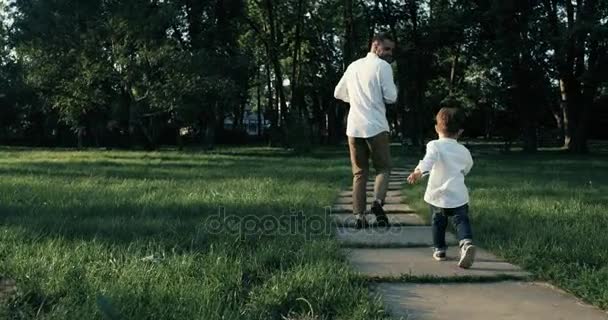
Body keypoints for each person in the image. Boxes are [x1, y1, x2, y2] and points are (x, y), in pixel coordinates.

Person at [334, 33, 398, 229]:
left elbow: (338, 92)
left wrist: (355, 100)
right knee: (384, 168)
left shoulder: (353, 66)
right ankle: (377, 203)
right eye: (386, 49)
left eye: (391, 50)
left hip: (354, 127)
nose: (389, 53)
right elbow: (391, 97)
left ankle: (359, 217)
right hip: (376, 126)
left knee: (359, 173)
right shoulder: (383, 67)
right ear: (375, 45)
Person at [407, 107, 476, 268]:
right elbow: (467, 168)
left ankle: (439, 250)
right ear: (460, 132)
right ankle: (465, 243)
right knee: (461, 220)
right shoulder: (464, 150)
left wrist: (419, 172)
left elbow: (428, 161)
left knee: (438, 222)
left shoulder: (434, 145)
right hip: (458, 194)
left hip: (437, 196)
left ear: (437, 128)